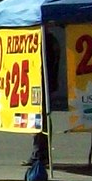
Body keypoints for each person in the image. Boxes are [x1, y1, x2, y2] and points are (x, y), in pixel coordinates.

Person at [26, 30, 60, 167]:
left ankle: (40, 153)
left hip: (42, 84)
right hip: (41, 84)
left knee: (40, 118)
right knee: (38, 118)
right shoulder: (50, 41)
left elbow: (50, 64)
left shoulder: (46, 41)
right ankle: (39, 152)